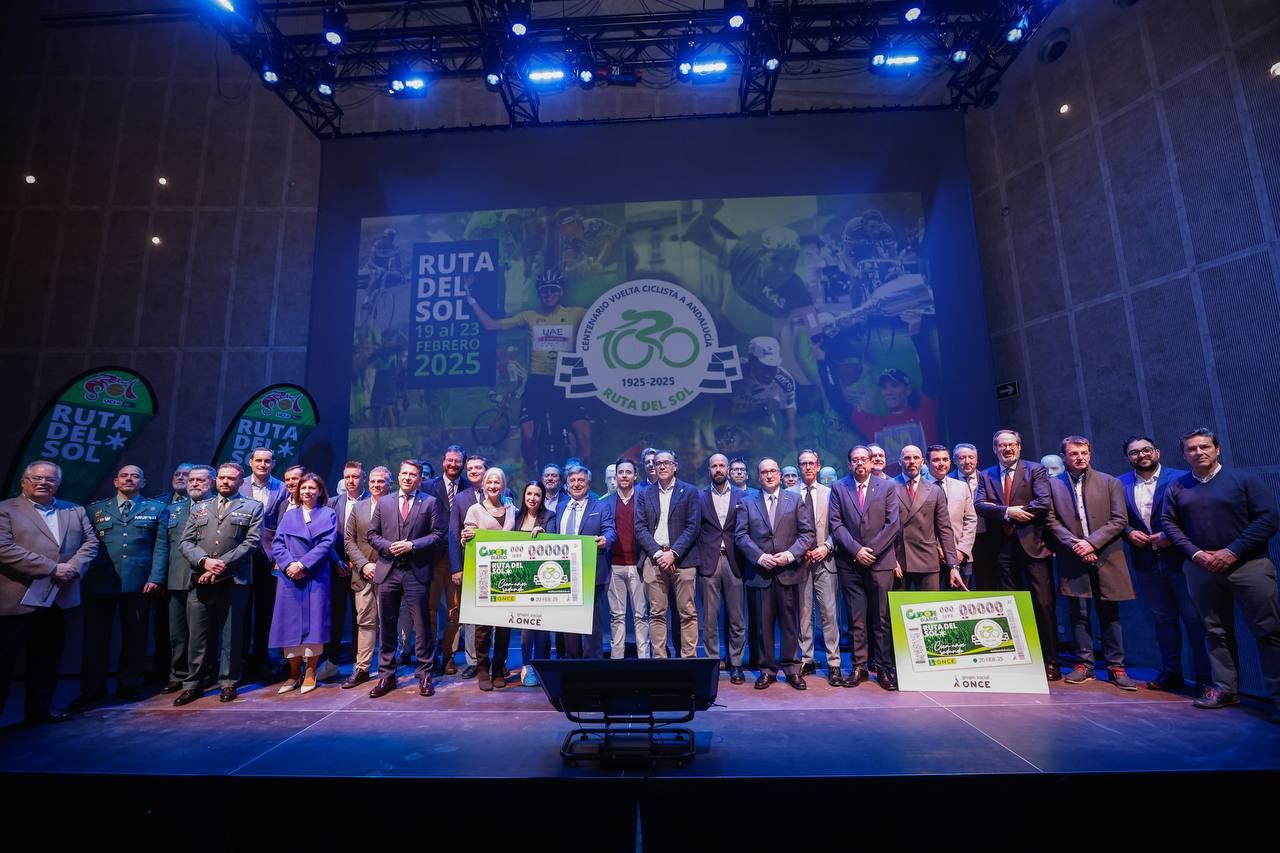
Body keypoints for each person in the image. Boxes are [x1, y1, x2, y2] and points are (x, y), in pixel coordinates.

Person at [1161, 428, 1280, 722]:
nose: (1198, 452)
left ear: (1217, 449)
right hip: (1201, 568)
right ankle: (1225, 689)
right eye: (1192, 449)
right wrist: (1196, 554)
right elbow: (1170, 524)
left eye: (1204, 447)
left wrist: (1232, 551)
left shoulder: (1243, 480)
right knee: (1215, 632)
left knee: (1269, 631)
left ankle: (1278, 697)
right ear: (1184, 454)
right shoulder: (1178, 487)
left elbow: (1269, 517)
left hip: (1248, 565)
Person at [0, 461, 97, 723]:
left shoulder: (74, 510)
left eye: (50, 480)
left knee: (47, 658)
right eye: (37, 478)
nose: (44, 483)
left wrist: (72, 568)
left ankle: (40, 710)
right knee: (5, 662)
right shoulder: (6, 509)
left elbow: (90, 543)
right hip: (17, 599)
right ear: (24, 482)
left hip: (59, 598)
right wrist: (52, 568)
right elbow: (4, 548)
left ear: (58, 484)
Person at [467, 269, 591, 472]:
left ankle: (585, 478)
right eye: (544, 291)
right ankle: (530, 474)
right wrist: (470, 300)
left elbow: (608, 317)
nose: (548, 294)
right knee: (528, 435)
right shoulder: (530, 316)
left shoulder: (575, 314)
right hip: (538, 381)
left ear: (560, 293)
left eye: (553, 290)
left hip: (567, 379)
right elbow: (491, 325)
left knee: (584, 434)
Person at [1045, 436, 1137, 690]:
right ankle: (1083, 665)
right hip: (1072, 556)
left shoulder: (1110, 482)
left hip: (1106, 555)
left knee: (1110, 613)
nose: (1080, 457)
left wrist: (1091, 543)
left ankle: (1116, 667)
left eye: (1084, 452)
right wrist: (1077, 545)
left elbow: (1119, 519)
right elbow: (1050, 521)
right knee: (1078, 613)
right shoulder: (1052, 485)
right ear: (1064, 456)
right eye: (1074, 453)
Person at [1118, 435, 1209, 691]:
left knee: (1194, 619)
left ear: (1157, 451)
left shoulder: (1181, 478)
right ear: (1128, 458)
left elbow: (1194, 516)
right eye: (1134, 452)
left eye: (1146, 450)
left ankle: (1205, 678)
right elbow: (1116, 518)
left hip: (1181, 559)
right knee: (1162, 619)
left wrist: (1170, 537)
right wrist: (1127, 532)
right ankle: (1172, 672)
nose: (1141, 455)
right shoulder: (1119, 483)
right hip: (1146, 561)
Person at [74, 465, 167, 708]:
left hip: (139, 582)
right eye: (124, 476)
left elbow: (161, 547)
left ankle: (130, 686)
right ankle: (93, 689)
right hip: (101, 582)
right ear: (115, 482)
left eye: (135, 476)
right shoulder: (95, 509)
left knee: (135, 638)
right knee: (95, 639)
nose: (129, 479)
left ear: (143, 482)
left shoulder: (156, 509)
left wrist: (156, 578)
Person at [973, 430, 1059, 681]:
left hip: (1034, 545)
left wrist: (1011, 512)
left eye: (1011, 445)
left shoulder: (1035, 470)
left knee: (1043, 604)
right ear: (994, 448)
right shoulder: (986, 474)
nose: (1007, 449)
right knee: (1010, 605)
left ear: (1019, 447)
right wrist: (1009, 511)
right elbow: (980, 505)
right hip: (1002, 549)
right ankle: (1020, 657)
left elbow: (1043, 502)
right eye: (1002, 445)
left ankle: (1050, 660)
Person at [177, 462, 264, 704]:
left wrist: (221, 564)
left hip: (234, 580)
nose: (225, 481)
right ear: (216, 481)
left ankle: (228, 682)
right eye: (222, 478)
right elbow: (185, 543)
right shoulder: (200, 508)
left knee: (231, 635)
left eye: (231, 478)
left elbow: (252, 543)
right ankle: (193, 684)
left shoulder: (253, 507)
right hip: (200, 579)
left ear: (240, 482)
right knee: (197, 635)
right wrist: (204, 562)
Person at [368, 460, 446, 699]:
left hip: (416, 571)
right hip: (388, 571)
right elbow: (372, 534)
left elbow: (437, 535)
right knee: (387, 625)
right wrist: (390, 547)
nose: (408, 478)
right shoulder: (384, 502)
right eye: (404, 473)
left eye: (413, 475)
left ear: (420, 478)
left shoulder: (430, 502)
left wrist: (412, 545)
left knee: (422, 626)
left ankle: (424, 674)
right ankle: (386, 675)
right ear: (399, 476)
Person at [737, 458, 816, 690]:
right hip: (760, 572)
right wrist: (760, 557)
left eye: (773, 471)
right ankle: (767, 670)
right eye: (764, 472)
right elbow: (740, 536)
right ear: (758, 476)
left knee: (790, 624)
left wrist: (790, 555)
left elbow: (807, 533)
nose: (769, 475)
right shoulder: (747, 501)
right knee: (763, 625)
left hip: (788, 571)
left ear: (780, 475)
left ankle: (792, 669)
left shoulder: (795, 499)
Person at [829, 445, 900, 689]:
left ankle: (882, 668)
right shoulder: (839, 487)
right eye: (855, 460)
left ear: (871, 462)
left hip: (880, 562)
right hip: (850, 562)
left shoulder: (887, 486)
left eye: (864, 459)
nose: (860, 463)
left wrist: (871, 551)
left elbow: (893, 524)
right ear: (849, 464)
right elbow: (836, 525)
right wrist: (857, 550)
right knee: (856, 618)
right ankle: (859, 667)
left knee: (881, 618)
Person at [147, 465, 213, 694]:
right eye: (191, 480)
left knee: (202, 633)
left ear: (211, 483)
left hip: (204, 578)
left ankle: (200, 675)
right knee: (177, 633)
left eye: (200, 480)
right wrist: (158, 578)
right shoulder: (173, 510)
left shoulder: (217, 507)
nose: (194, 483)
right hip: (175, 578)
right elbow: (162, 545)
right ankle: (178, 674)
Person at [270, 473, 336, 695]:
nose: (307, 491)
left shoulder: (328, 514)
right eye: (303, 488)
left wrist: (303, 565)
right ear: (298, 492)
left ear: (320, 491)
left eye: (312, 488)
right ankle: (292, 673)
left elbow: (326, 544)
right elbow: (278, 544)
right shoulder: (289, 515)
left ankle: (310, 672)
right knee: (288, 625)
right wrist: (290, 564)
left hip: (315, 575)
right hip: (290, 578)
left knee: (315, 624)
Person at [635, 450, 701, 659]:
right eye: (658, 463)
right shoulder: (645, 493)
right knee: (656, 614)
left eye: (666, 463)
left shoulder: (689, 491)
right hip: (654, 560)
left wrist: (673, 554)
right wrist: (657, 553)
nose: (661, 466)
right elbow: (640, 527)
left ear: (675, 466)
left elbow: (693, 526)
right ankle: (660, 661)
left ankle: (689, 661)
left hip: (684, 559)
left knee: (687, 613)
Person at [461, 467, 517, 689]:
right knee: (482, 627)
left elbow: (521, 532)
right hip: (483, 574)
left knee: (504, 626)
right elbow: (466, 541)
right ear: (483, 485)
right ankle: (483, 669)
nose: (493, 485)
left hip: (507, 574)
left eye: (498, 482)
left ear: (503, 485)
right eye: (490, 482)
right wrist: (466, 537)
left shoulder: (512, 508)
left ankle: (499, 667)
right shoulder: (475, 510)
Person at [791, 449, 844, 685]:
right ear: (799, 467)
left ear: (819, 466)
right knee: (803, 613)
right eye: (803, 464)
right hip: (801, 562)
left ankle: (834, 663)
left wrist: (827, 547)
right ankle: (806, 658)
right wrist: (798, 551)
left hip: (825, 559)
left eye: (812, 463)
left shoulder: (831, 493)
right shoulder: (788, 494)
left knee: (829, 614)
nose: (808, 467)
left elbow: (839, 527)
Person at [239, 447, 288, 682]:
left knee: (264, 611)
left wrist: (278, 557)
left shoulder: (282, 488)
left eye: (267, 461)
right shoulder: (239, 485)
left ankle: (261, 660)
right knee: (241, 611)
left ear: (273, 463)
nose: (262, 464)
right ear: (250, 462)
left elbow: (282, 526)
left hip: (268, 558)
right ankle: (241, 662)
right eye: (258, 460)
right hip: (240, 557)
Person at [558, 464, 616, 658]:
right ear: (566, 484)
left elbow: (610, 529)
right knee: (569, 621)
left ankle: (593, 665)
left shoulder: (600, 506)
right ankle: (572, 663)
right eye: (572, 481)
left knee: (592, 622)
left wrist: (606, 539)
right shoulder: (560, 507)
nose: (576, 484)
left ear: (588, 484)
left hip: (592, 571)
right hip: (564, 574)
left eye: (581, 480)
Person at [697, 454, 746, 682]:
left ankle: (736, 663)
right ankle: (713, 663)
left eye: (721, 466)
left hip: (735, 561)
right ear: (709, 470)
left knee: (736, 617)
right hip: (709, 561)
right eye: (714, 466)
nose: (718, 469)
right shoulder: (699, 496)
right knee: (709, 618)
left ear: (728, 469)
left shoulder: (742, 496)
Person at [341, 465, 391, 688]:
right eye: (372, 481)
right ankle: (361, 668)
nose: (376, 485)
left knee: (389, 623)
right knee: (365, 622)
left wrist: (380, 566)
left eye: (381, 481)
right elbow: (349, 540)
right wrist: (363, 565)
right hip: (362, 575)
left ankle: (387, 670)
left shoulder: (395, 505)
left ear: (389, 483)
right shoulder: (358, 508)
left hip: (390, 573)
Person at [323, 461, 369, 682]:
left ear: (364, 478)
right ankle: (330, 661)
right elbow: (325, 538)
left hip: (364, 569)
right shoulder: (331, 503)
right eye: (348, 476)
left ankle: (357, 663)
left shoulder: (374, 502)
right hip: (337, 569)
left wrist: (358, 563)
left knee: (360, 618)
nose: (352, 481)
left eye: (356, 477)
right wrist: (337, 562)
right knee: (334, 616)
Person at [893, 446, 960, 592]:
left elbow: (945, 529)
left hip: (927, 560)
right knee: (898, 612)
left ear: (922, 462)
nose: (912, 461)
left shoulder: (934, 490)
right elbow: (883, 528)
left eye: (916, 458)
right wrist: (890, 559)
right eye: (907, 458)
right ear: (900, 462)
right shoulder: (889, 487)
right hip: (898, 560)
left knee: (929, 611)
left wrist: (953, 566)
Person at [445, 454, 489, 677]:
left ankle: (494, 660)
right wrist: (456, 567)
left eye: (478, 467)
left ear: (486, 470)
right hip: (469, 565)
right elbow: (453, 534)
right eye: (470, 468)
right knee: (471, 615)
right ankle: (473, 661)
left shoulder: (504, 494)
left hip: (497, 565)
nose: (472, 471)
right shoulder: (461, 499)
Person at [424, 446, 466, 675]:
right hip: (432, 559)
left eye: (457, 461)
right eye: (449, 460)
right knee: (429, 610)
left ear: (463, 464)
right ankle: (429, 656)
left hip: (457, 560)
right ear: (443, 461)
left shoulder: (470, 488)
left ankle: (449, 656)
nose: (453, 464)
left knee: (455, 611)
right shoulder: (428, 486)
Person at [513, 482, 557, 685]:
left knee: (542, 625)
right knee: (525, 626)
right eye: (529, 494)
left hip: (542, 579)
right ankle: (526, 665)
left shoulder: (549, 517)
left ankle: (540, 666)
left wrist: (545, 532)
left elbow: (557, 540)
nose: (532, 498)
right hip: (521, 579)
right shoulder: (515, 517)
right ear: (524, 495)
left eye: (537, 495)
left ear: (542, 498)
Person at [605, 459, 649, 661]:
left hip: (638, 565)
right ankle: (617, 660)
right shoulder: (606, 501)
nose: (624, 475)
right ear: (615, 476)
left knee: (641, 615)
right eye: (620, 472)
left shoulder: (645, 498)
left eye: (628, 472)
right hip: (614, 566)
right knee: (617, 616)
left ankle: (644, 659)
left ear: (635, 475)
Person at [926, 446, 977, 590]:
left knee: (962, 605)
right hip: (931, 557)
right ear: (927, 463)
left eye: (945, 459)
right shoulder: (920, 487)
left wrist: (961, 550)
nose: (941, 463)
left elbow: (971, 520)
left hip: (962, 557)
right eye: (936, 460)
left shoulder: (961, 486)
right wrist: (937, 549)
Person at [952, 442, 995, 590]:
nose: (967, 461)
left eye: (971, 457)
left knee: (987, 580)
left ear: (977, 459)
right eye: (962, 458)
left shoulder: (989, 478)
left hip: (985, 537)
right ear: (955, 460)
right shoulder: (946, 481)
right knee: (963, 584)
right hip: (959, 541)